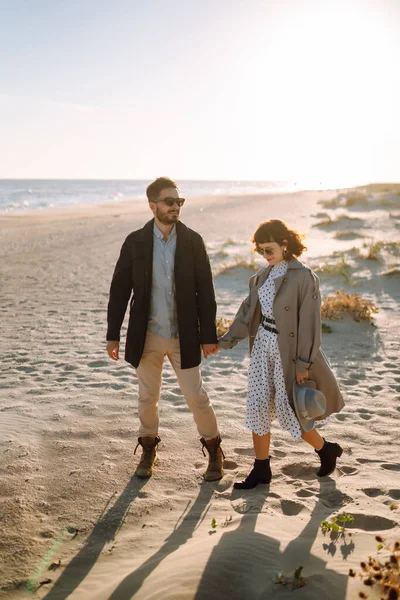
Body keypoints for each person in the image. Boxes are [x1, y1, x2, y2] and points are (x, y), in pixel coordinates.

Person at [106, 177, 223, 482]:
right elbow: (119, 290)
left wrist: (208, 336)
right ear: (153, 205)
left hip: (184, 335)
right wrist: (113, 334)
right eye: (170, 202)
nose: (175, 207)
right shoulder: (136, 241)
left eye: (179, 202)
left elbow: (205, 291)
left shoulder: (193, 241)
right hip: (147, 335)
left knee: (196, 397)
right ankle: (148, 451)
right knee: (147, 397)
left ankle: (214, 452)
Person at [218, 219, 345, 489]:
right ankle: (261, 468)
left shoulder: (304, 277)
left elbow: (309, 325)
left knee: (294, 410)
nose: (266, 255)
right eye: (262, 250)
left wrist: (303, 363)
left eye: (269, 249)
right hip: (263, 347)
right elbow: (246, 313)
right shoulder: (262, 275)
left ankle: (326, 450)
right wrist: (223, 342)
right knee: (257, 406)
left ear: (285, 245)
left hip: (288, 353)